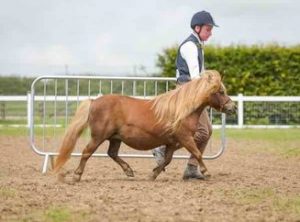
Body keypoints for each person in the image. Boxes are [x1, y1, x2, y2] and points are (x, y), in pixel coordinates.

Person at [152, 10, 218, 180]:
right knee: (203, 131)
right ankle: (165, 150)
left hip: (193, 91)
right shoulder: (190, 46)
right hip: (189, 92)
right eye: (208, 29)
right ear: (197, 28)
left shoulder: (197, 45)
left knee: (205, 130)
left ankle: (191, 167)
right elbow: (196, 76)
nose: (210, 33)